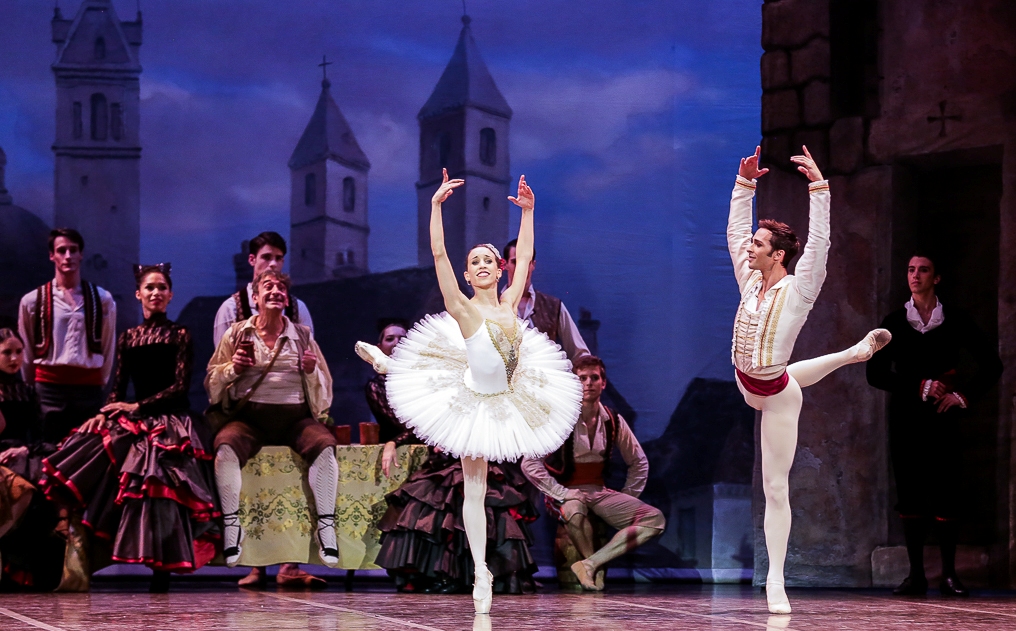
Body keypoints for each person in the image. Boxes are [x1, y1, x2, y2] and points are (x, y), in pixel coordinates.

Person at [355, 170, 581, 614]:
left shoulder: (512, 302)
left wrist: (529, 214)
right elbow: (438, 252)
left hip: (510, 393)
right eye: (474, 260)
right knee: (473, 489)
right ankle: (481, 569)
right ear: (467, 272)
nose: (481, 265)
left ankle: (390, 364)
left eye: (489, 260)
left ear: (501, 270)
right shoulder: (459, 307)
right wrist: (436, 206)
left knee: (489, 484)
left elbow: (528, 252)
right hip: (472, 401)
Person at [729, 146, 891, 614]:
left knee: (775, 487)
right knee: (791, 377)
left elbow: (819, 244)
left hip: (776, 397)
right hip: (748, 381)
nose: (750, 248)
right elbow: (735, 232)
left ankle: (776, 580)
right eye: (753, 243)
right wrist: (745, 187)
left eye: (759, 245)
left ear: (778, 255)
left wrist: (819, 189)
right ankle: (855, 352)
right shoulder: (749, 281)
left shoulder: (800, 288)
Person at [40, 264, 219, 592]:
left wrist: (137, 407)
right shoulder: (128, 337)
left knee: (161, 480)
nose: (156, 293)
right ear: (139, 294)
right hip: (136, 418)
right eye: (149, 288)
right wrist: (105, 414)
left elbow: (180, 387)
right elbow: (117, 388)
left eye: (162, 287)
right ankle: (79, 556)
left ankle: (162, 573)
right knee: (91, 452)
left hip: (172, 421)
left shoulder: (180, 334)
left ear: (170, 295)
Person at [365, 319, 539, 595]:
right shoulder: (431, 379)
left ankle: (486, 574)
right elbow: (424, 418)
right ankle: (447, 575)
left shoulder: (480, 372)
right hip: (446, 449)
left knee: (481, 493)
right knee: (437, 495)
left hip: (477, 445)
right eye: (389, 339)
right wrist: (396, 441)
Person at [867, 253, 1002, 597]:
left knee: (947, 493)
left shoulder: (955, 320)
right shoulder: (894, 322)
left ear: (936, 278)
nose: (915, 275)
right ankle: (916, 575)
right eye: (911, 270)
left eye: (923, 270)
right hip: (907, 418)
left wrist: (962, 396)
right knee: (910, 493)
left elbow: (991, 365)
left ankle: (949, 575)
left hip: (944, 418)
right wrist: (919, 385)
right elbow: (876, 373)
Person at [206, 269, 339, 575]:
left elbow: (324, 385)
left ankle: (326, 529)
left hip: (294, 418)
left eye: (281, 288)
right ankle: (231, 528)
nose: (276, 291)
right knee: (225, 447)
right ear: (255, 297)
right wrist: (233, 368)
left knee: (325, 445)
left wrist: (309, 369)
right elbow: (212, 382)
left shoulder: (302, 335)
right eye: (268, 286)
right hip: (250, 419)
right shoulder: (238, 334)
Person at [522, 355, 664, 591]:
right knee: (575, 511)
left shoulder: (612, 419)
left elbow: (639, 462)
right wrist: (562, 492)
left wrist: (628, 495)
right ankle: (592, 571)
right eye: (582, 378)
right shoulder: (560, 418)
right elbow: (529, 463)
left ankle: (590, 564)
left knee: (655, 519)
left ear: (603, 383)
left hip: (599, 491)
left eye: (594, 378)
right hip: (566, 492)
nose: (588, 383)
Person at [18, 229, 116, 443]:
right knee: (47, 447)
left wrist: (100, 384)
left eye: (73, 250)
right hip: (48, 389)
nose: (68, 256)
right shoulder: (32, 300)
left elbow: (108, 348)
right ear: (51, 255)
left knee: (86, 451)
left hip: (88, 389)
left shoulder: (102, 299)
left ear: (81, 254)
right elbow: (26, 348)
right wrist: (32, 385)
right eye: (61, 251)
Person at [0, 328, 65, 591]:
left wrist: (26, 449)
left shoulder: (28, 391)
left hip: (23, 452)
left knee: (45, 483)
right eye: (7, 352)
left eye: (18, 352)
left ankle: (30, 573)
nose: (14, 358)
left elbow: (40, 435)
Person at [213, 231, 314, 347]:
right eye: (266, 257)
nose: (273, 264)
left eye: (278, 258)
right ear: (252, 259)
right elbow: (221, 361)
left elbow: (309, 353)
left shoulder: (298, 308)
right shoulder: (231, 309)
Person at [502, 239, 589, 361]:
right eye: (515, 262)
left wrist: (588, 371)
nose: (521, 268)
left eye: (526, 262)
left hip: (544, 376)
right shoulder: (492, 304)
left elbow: (580, 354)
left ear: (533, 265)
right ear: (504, 264)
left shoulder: (553, 307)